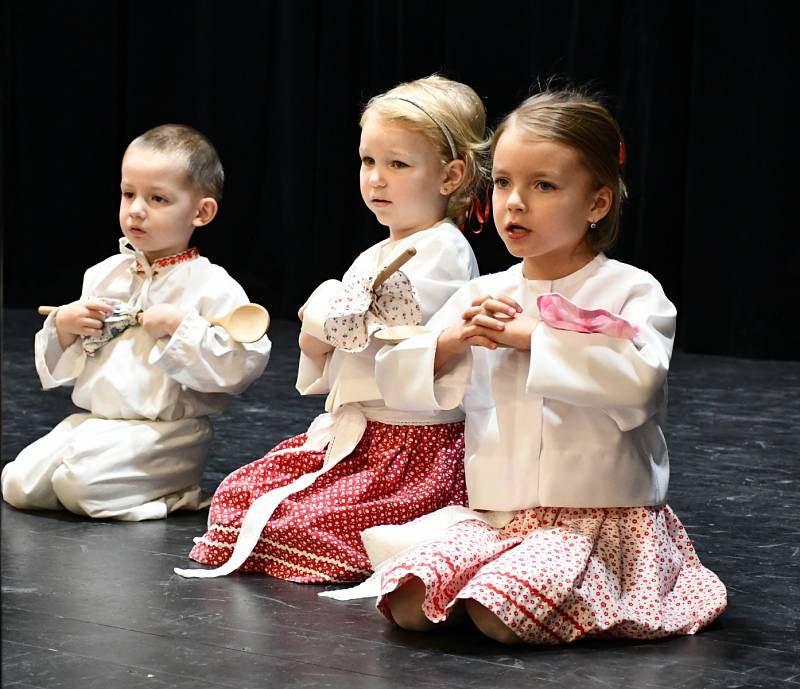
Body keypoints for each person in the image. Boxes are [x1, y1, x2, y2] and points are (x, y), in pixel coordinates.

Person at [364, 88, 727, 644]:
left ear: (597, 203)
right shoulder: (482, 293)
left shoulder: (630, 289)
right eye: (505, 182)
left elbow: (639, 385)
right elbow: (400, 381)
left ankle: (560, 593)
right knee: (409, 603)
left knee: (499, 614)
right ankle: (498, 579)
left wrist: (537, 336)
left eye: (544, 186)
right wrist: (454, 341)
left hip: (596, 522)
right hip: (500, 517)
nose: (514, 203)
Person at [178, 74, 486, 583]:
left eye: (397, 165)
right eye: (368, 161)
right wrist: (328, 316)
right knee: (240, 495)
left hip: (411, 449)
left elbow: (377, 327)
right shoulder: (377, 252)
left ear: (450, 176)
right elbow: (341, 327)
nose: (376, 179)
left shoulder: (444, 250)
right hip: (364, 433)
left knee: (306, 522)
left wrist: (323, 310)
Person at [1, 124, 271, 521]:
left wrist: (183, 329)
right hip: (96, 424)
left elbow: (242, 362)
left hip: (166, 436)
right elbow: (64, 360)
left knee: (78, 487)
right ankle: (100, 469)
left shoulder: (212, 285)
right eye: (129, 194)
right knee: (18, 483)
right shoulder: (104, 275)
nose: (136, 209)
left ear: (202, 211)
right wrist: (66, 325)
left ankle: (174, 492)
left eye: (158, 198)